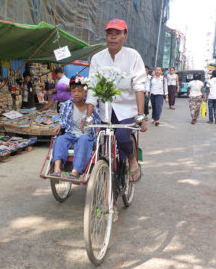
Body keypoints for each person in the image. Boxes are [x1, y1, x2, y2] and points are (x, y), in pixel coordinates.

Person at [85, 18, 148, 183]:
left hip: (127, 109)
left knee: (121, 136)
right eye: (109, 33)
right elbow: (92, 88)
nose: (113, 37)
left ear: (125, 36)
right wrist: (88, 116)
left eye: (117, 33)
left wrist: (141, 115)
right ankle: (108, 184)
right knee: (101, 146)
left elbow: (139, 87)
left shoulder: (133, 56)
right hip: (106, 109)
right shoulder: (97, 58)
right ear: (105, 37)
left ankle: (132, 158)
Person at [51, 76, 100, 179]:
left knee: (83, 140)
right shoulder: (67, 105)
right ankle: (57, 169)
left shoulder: (92, 106)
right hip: (71, 133)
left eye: (80, 91)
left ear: (85, 92)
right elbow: (64, 120)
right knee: (60, 139)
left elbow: (98, 121)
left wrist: (96, 127)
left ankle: (75, 171)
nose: (76, 94)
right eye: (74, 91)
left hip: (86, 135)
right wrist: (60, 124)